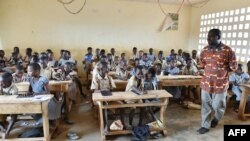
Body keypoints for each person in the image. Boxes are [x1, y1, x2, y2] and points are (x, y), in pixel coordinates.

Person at [197, 28, 237, 134]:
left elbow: (233, 66)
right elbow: (202, 64)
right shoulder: (205, 50)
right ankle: (205, 125)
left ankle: (216, 118)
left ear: (218, 37)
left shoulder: (228, 50)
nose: (208, 38)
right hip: (206, 83)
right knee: (206, 105)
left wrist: (221, 71)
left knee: (218, 106)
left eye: (211, 36)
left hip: (220, 84)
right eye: (208, 36)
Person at [0, 72, 18, 138]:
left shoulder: (14, 89)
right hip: (2, 106)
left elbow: (13, 102)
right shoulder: (1, 86)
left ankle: (7, 131)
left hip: (11, 106)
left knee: (14, 114)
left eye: (2, 83)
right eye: (0, 82)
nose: (0, 84)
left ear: (9, 82)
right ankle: (3, 126)